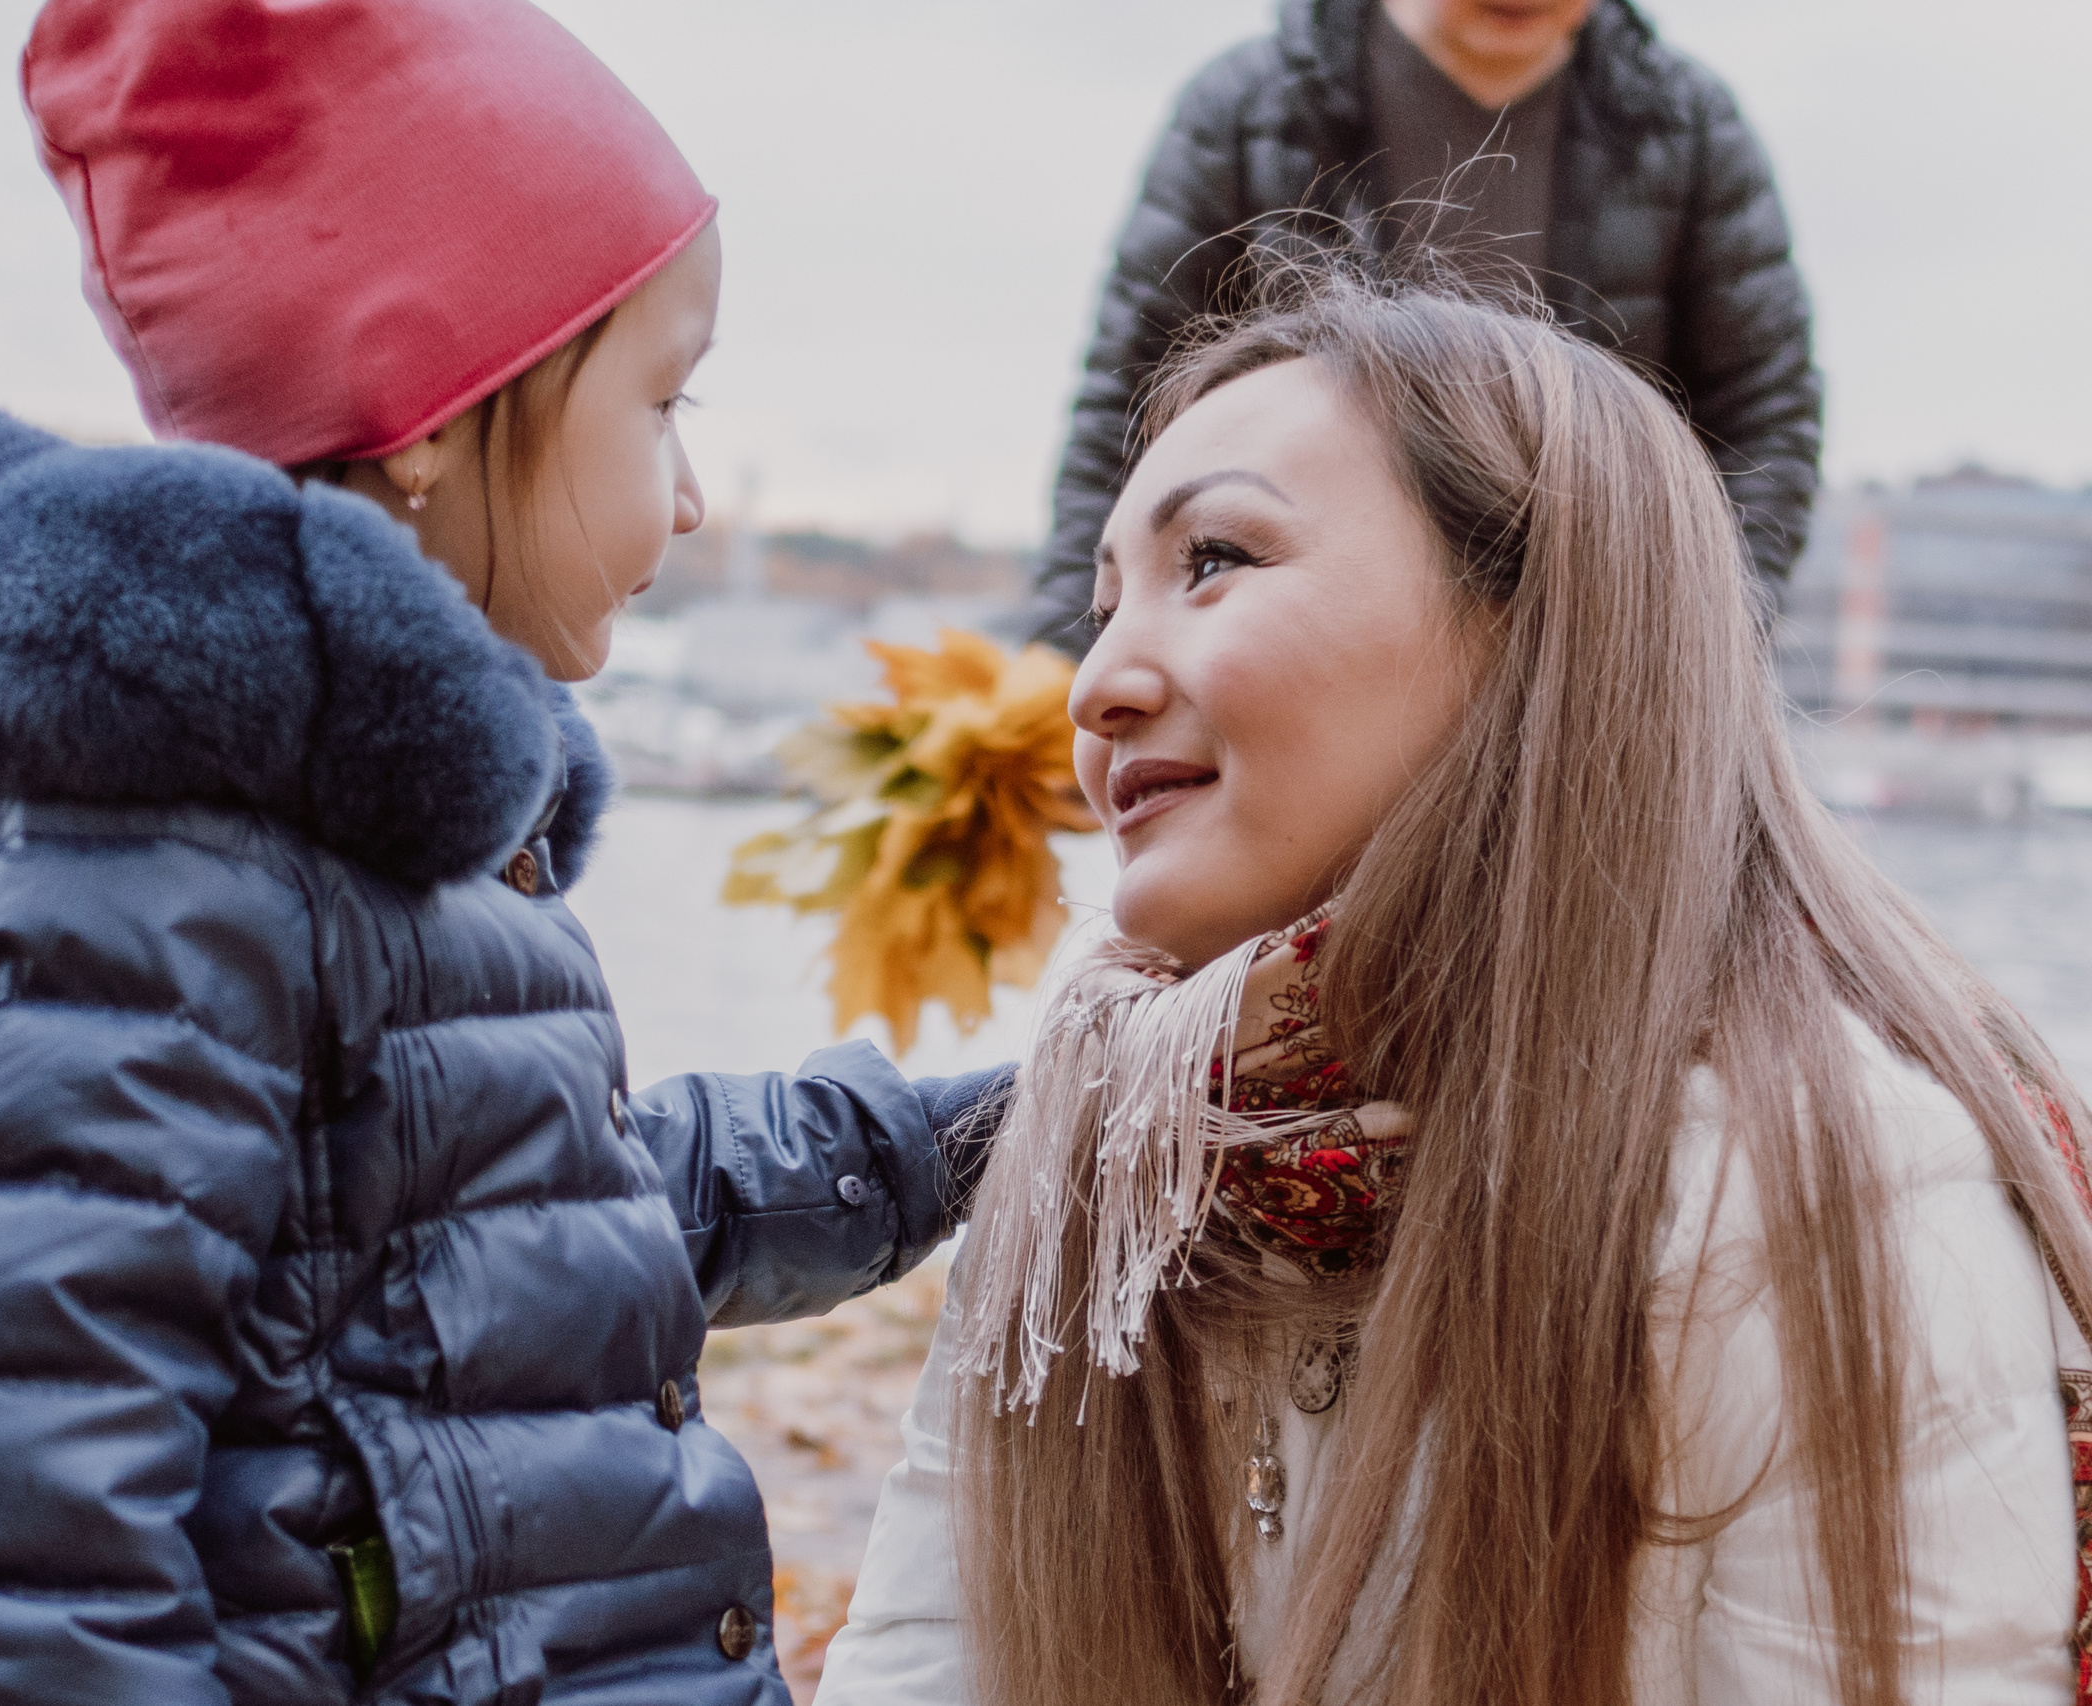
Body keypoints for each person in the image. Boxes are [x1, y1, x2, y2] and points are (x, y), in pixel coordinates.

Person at [0, 3, 1009, 1702]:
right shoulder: (126, 859)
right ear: (432, 414)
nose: (689, 499)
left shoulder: (357, 836)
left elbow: (519, 1244)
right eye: (662, 402)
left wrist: (965, 1140)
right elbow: (5, 1571)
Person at [816, 266, 2092, 1705]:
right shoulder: (1092, 1148)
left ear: (1531, 621)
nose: (1095, 682)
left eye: (1217, 557)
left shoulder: (1831, 1189)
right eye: (1105, 600)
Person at [1027, 0, 1822, 651]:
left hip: (1574, 673)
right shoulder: (1248, 112)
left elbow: (1763, 419)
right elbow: (1133, 406)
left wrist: (1699, 648)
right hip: (1293, 655)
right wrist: (1072, 653)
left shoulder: (1687, 129)